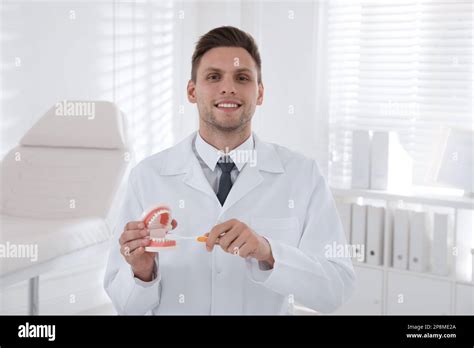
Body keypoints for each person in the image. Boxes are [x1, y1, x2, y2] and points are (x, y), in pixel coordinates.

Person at [104, 26, 355, 315]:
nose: (228, 88)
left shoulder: (302, 175)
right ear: (192, 91)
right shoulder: (147, 177)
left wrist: (269, 253)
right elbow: (124, 305)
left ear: (259, 93)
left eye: (242, 78)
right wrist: (142, 271)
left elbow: (336, 289)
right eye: (213, 77)